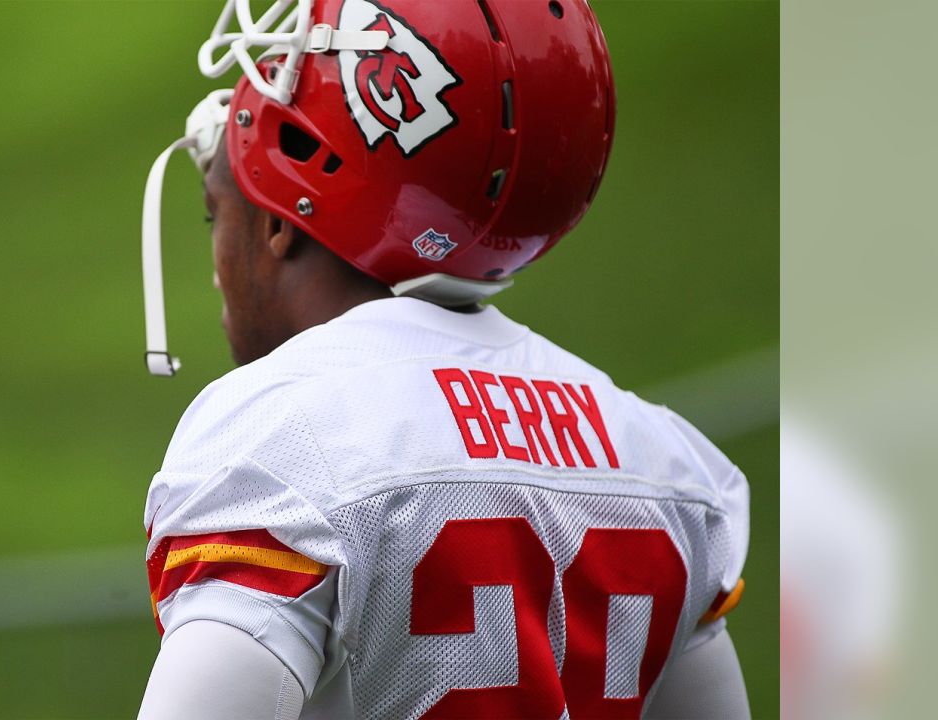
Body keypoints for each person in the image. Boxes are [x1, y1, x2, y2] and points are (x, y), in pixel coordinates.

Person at [136, 1, 750, 717]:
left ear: (279, 221)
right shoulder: (666, 465)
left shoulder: (286, 443)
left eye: (219, 214)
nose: (215, 268)